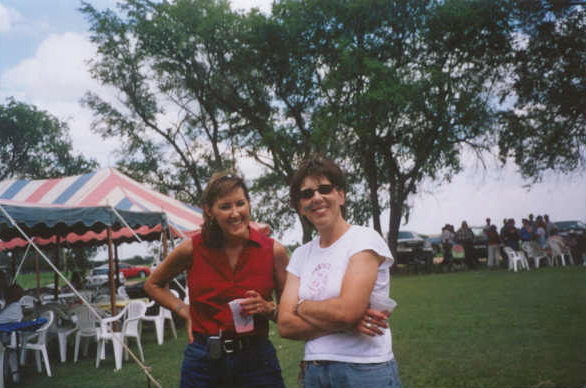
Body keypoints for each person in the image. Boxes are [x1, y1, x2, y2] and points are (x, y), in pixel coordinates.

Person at [144, 172, 288, 388]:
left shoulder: (273, 251)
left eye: (240, 203)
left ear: (249, 204)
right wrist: (185, 311)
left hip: (257, 361)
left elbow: (288, 316)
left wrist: (268, 309)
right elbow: (152, 284)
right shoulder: (191, 248)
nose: (235, 213)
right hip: (204, 360)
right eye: (225, 206)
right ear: (209, 211)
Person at [278, 157, 402, 388]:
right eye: (307, 194)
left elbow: (347, 311)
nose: (316, 197)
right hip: (313, 371)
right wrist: (347, 324)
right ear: (300, 207)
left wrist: (301, 306)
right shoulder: (300, 255)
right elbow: (285, 325)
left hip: (364, 371)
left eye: (324, 189)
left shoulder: (364, 239)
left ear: (340, 196)